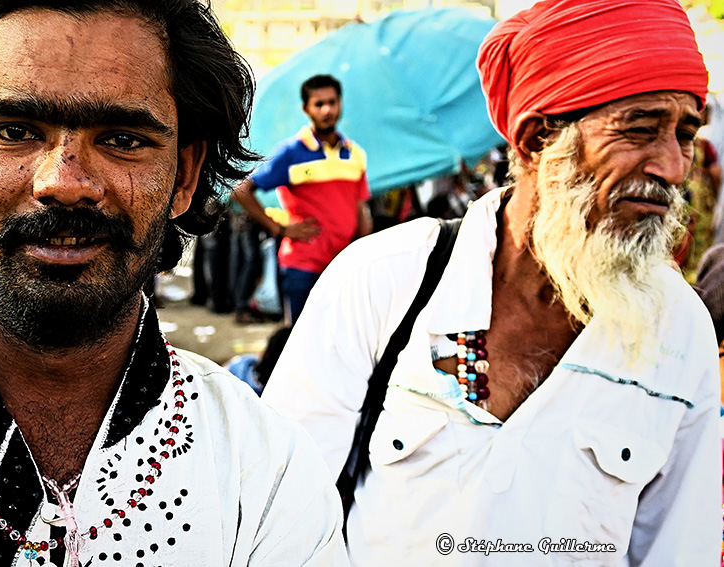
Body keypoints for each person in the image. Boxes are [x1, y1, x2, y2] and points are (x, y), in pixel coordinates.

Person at [0, 1, 347, 566]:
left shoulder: (263, 468)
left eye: (123, 139)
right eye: (16, 131)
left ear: (186, 174)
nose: (65, 183)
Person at [263, 0, 721, 565]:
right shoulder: (383, 280)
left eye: (684, 134)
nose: (673, 166)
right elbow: (278, 522)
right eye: (639, 130)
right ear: (534, 141)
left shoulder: (679, 331)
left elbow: (680, 550)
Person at [232, 74, 373, 324]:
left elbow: (360, 208)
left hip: (344, 265)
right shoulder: (291, 152)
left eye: (332, 102)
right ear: (306, 108)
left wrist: (365, 253)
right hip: (303, 265)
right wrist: (280, 229)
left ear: (340, 103)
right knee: (298, 342)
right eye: (319, 104)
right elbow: (241, 190)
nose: (327, 110)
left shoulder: (355, 154)